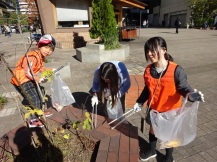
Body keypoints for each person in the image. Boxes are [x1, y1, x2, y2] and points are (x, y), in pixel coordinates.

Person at [133, 37, 204, 162]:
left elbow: (184, 88)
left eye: (153, 50)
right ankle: (152, 151)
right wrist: (139, 102)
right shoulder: (148, 70)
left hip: (171, 110)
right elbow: (147, 89)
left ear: (164, 50)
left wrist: (192, 95)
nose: (149, 54)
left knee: (170, 135)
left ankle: (169, 157)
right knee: (152, 129)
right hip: (154, 108)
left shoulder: (176, 70)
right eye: (147, 51)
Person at [11, 34, 56, 128]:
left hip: (28, 79)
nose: (48, 51)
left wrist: (50, 70)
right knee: (34, 98)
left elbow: (39, 68)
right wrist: (39, 79)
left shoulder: (40, 57)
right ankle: (33, 120)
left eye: (51, 49)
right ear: (39, 46)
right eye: (46, 47)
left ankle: (40, 111)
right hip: (21, 80)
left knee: (41, 91)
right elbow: (27, 72)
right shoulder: (33, 56)